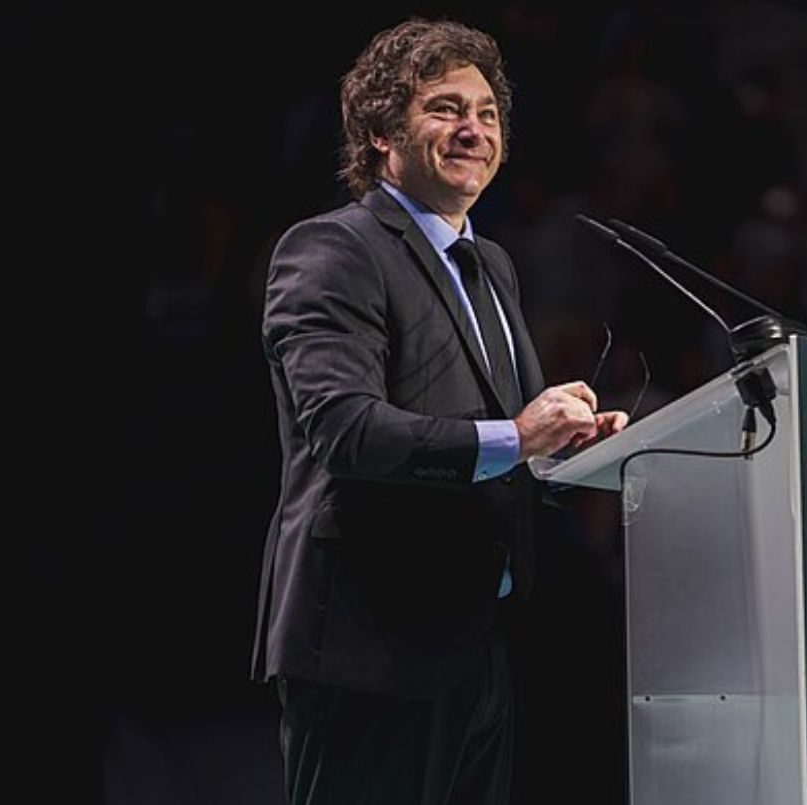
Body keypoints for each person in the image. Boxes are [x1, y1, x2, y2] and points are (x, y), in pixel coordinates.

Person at [249, 18, 628, 805]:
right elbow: (345, 430)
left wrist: (566, 449)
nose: (473, 130)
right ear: (383, 133)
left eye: (487, 114)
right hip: (370, 647)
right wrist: (519, 434)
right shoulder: (332, 249)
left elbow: (505, 438)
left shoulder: (490, 265)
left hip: (477, 645)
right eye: (445, 109)